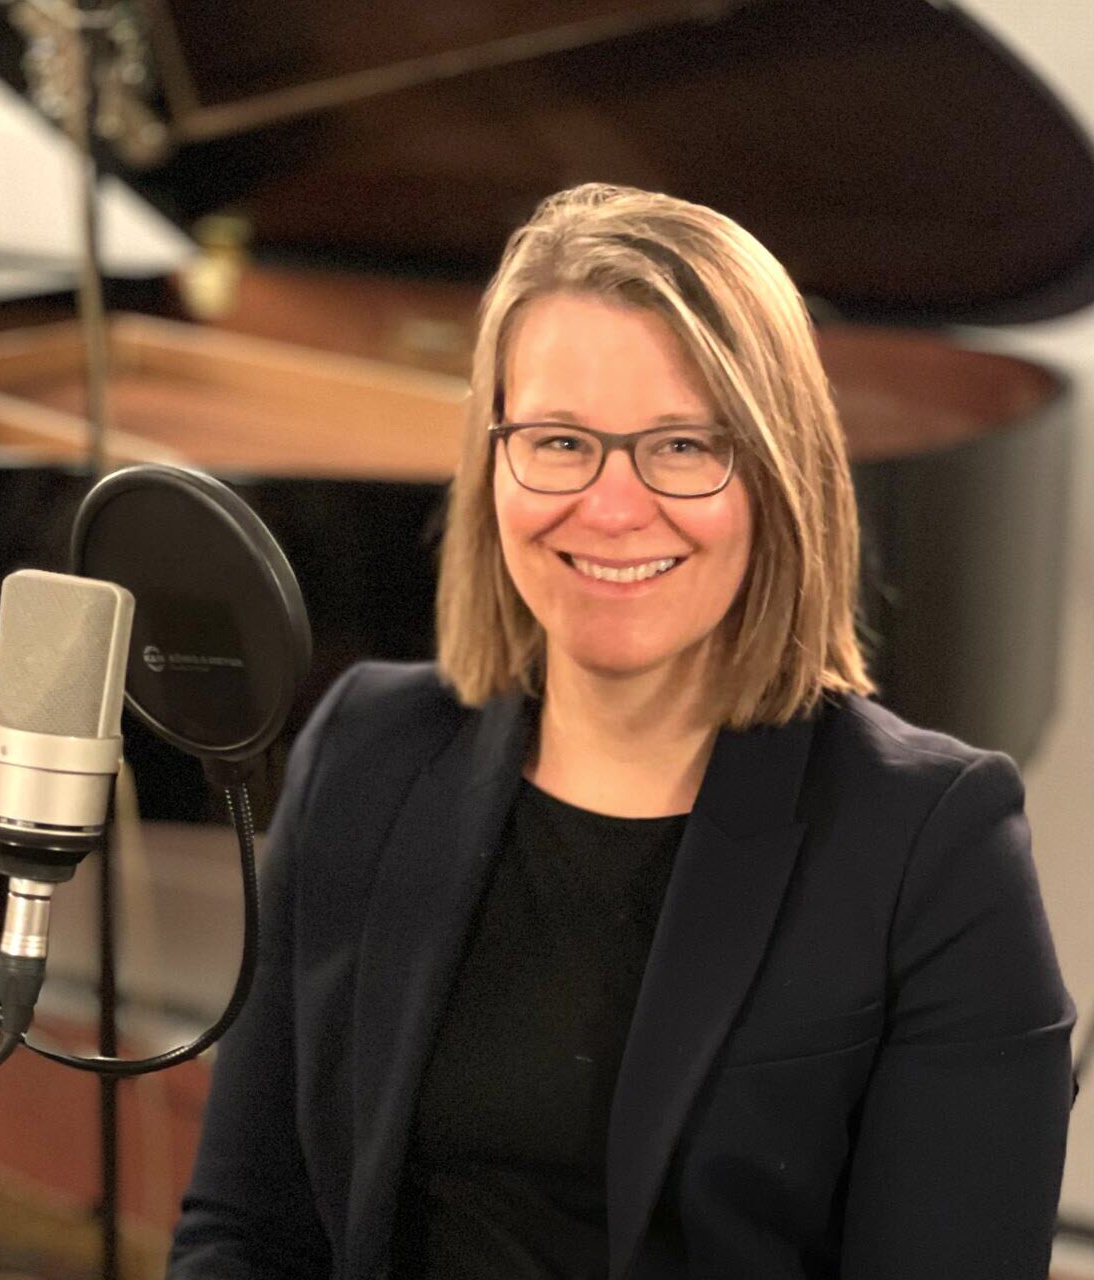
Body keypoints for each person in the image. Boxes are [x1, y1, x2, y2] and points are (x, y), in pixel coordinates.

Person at [167, 184, 1075, 1279]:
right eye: (557, 439)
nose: (607, 505)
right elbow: (244, 1228)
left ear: (776, 474)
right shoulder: (364, 746)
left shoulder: (931, 842)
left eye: (682, 445)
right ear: (492, 458)